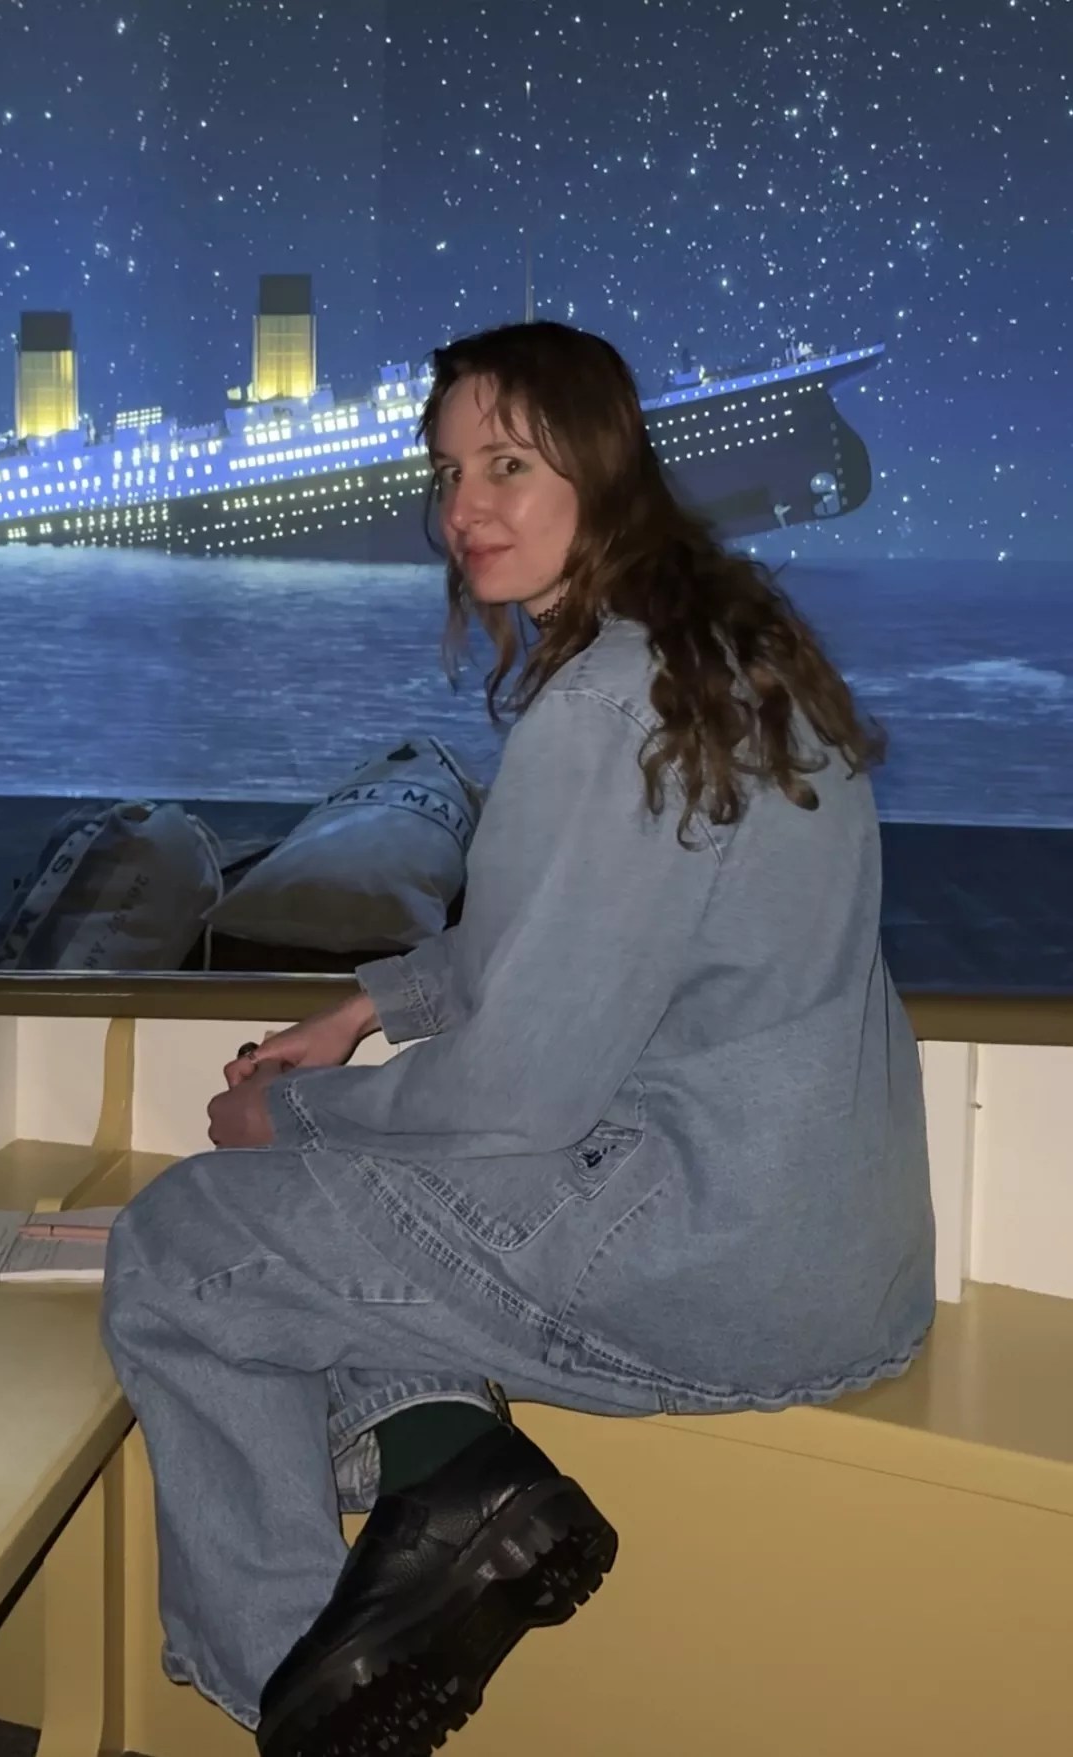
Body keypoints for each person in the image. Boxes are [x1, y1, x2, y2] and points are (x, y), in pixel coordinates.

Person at [101, 319, 936, 1756]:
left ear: (600, 471)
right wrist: (370, 1004)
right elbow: (578, 940)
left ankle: (304, 1687)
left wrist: (282, 1119)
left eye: (506, 465)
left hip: (701, 1259)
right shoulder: (723, 653)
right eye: (446, 471)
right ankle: (452, 1476)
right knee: (338, 1241)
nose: (461, 509)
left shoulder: (605, 700)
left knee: (187, 1240)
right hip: (832, 1242)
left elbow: (510, 1101)